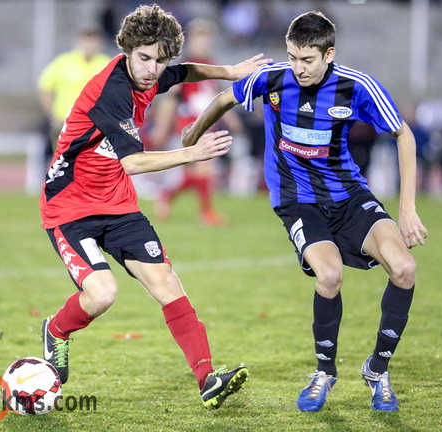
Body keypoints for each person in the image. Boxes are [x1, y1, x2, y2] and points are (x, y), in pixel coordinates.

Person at [182, 11, 428, 412]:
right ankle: (324, 372)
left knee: (404, 269)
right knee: (330, 274)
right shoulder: (274, 78)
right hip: (297, 201)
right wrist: (193, 136)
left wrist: (407, 209)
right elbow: (225, 97)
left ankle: (377, 370)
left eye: (307, 60)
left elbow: (404, 134)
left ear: (328, 54)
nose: (298, 68)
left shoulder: (357, 86)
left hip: (349, 196)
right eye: (293, 57)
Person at [39, 4, 270, 410]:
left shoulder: (155, 72)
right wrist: (192, 153)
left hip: (118, 204)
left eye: (160, 60)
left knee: (168, 284)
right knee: (103, 294)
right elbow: (132, 162)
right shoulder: (110, 90)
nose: (152, 69)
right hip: (70, 207)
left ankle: (207, 380)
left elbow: (184, 72)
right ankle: (56, 330)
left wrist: (229, 71)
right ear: (127, 49)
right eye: (144, 58)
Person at [149, 17, 243, 225]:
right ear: (190, 41)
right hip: (190, 124)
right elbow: (171, 99)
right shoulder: (185, 68)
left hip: (209, 123)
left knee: (199, 171)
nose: (203, 43)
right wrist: (162, 127)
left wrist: (231, 119)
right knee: (205, 167)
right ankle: (207, 213)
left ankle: (167, 196)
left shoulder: (212, 67)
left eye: (206, 38)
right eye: (199, 38)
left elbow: (218, 99)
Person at [38, 28, 111, 162]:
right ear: (78, 43)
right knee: (64, 160)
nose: (89, 46)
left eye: (93, 42)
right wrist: (52, 114)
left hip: (94, 123)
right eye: (86, 42)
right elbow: (45, 88)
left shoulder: (106, 64)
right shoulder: (64, 62)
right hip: (65, 121)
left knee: (90, 161)